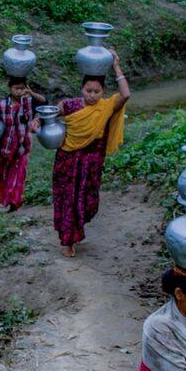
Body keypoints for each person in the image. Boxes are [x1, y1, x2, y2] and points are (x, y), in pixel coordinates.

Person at [51, 49, 129, 256]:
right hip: (67, 159)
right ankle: (68, 241)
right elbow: (47, 115)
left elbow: (126, 94)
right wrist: (35, 120)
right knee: (69, 198)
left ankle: (76, 231)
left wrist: (116, 66)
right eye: (88, 91)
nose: (92, 95)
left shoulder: (107, 106)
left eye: (97, 92)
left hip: (91, 162)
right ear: (81, 89)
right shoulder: (69, 105)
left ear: (103, 92)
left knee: (86, 200)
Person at [0, 77, 43, 212]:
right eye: (16, 88)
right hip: (3, 147)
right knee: (0, 176)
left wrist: (32, 93)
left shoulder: (29, 102)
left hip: (22, 147)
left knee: (17, 177)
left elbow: (44, 103)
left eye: (22, 88)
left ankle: (13, 204)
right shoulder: (0, 105)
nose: (19, 91)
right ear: (10, 89)